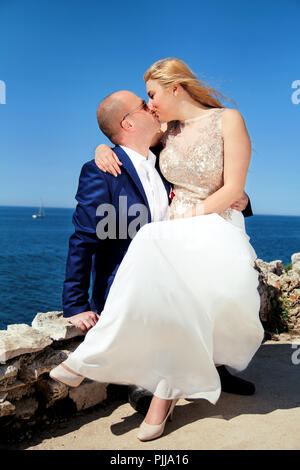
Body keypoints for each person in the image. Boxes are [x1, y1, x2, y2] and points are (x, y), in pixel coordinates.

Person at [51, 58, 264, 442]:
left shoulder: (226, 120)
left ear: (175, 88)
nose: (150, 104)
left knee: (156, 244)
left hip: (207, 223)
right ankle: (158, 396)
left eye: (151, 94)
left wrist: (193, 217)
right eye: (144, 99)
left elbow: (231, 187)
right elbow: (129, 146)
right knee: (170, 279)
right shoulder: (165, 132)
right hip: (173, 235)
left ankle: (151, 377)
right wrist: (103, 146)